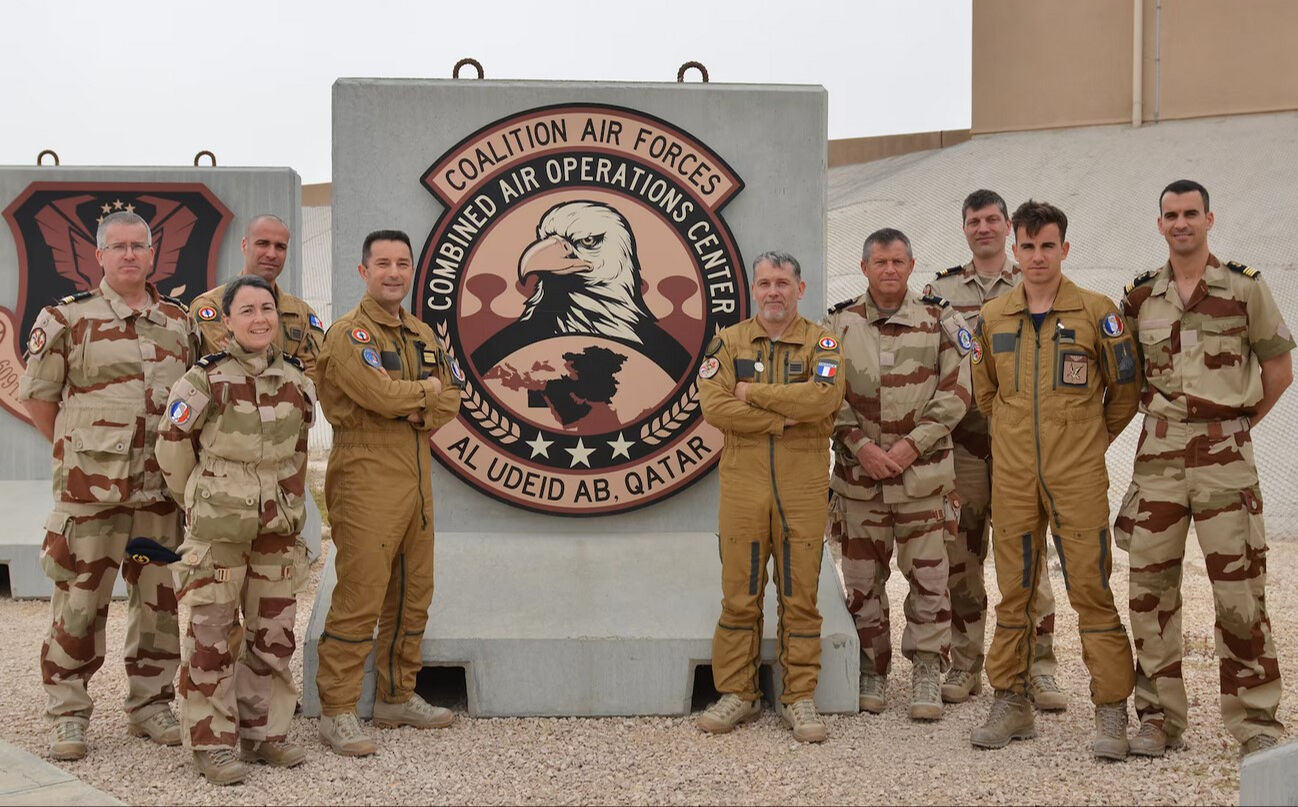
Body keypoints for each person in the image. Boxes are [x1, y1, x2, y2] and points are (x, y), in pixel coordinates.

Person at [1117, 179, 1294, 759]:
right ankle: (1158, 719)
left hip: (1226, 460)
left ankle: (1257, 723)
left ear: (1210, 219)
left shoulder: (1245, 289)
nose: (1181, 223)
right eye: (1171, 214)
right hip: (1159, 460)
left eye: (1191, 213)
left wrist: (1235, 429)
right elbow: (1129, 380)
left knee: (1240, 594)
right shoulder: (1140, 298)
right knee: (1149, 591)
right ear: (1160, 223)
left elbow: (1278, 372)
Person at [19, 211, 196, 760]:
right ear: (98, 256)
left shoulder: (177, 323)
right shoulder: (67, 320)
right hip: (89, 500)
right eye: (116, 247)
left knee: (157, 605)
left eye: (137, 246)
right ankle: (69, 714)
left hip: (157, 499)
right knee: (78, 604)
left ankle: (150, 705)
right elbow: (39, 400)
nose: (127, 256)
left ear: (152, 254)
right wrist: (80, 456)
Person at [969, 199, 1141, 759]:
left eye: (1048, 245)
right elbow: (986, 392)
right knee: (1014, 591)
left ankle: (1111, 709)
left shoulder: (1098, 313)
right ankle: (1011, 700)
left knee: (1089, 588)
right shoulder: (993, 317)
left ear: (1065, 249)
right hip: (1014, 477)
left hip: (1077, 476)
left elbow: (1126, 393)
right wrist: (1017, 436)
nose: (1038, 256)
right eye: (1028, 246)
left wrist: (1088, 440)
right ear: (1015, 252)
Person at [155, 275, 316, 785]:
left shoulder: (295, 380)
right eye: (246, 310)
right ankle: (213, 742)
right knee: (211, 636)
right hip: (218, 528)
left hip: (277, 525)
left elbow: (297, 452)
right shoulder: (202, 379)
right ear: (226, 323)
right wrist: (202, 500)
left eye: (266, 308)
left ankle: (263, 732)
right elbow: (172, 447)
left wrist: (289, 508)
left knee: (274, 634)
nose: (259, 318)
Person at [314, 230, 463, 756]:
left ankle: (398, 695)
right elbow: (375, 395)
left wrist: (420, 405)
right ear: (363, 271)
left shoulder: (422, 333)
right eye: (382, 263)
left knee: (411, 591)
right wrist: (426, 395)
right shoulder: (348, 334)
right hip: (366, 468)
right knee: (361, 593)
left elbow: (455, 399)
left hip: (416, 470)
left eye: (402, 263)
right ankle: (337, 709)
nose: (393, 272)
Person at [924, 190, 1066, 710]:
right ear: (964, 229)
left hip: (1018, 445)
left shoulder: (1032, 280)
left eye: (991, 220)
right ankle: (965, 665)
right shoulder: (939, 292)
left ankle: (1040, 665)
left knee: (1028, 559)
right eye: (973, 221)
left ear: (1008, 227)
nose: (983, 228)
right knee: (961, 560)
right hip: (962, 445)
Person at [696, 251, 845, 743]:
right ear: (753, 290)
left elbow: (823, 399)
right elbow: (714, 406)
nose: (774, 291)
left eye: (783, 282)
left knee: (800, 594)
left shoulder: (823, 342)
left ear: (800, 289)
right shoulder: (729, 341)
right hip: (743, 477)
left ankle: (799, 696)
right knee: (739, 593)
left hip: (803, 480)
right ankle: (738, 691)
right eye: (765, 283)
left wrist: (751, 392)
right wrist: (783, 415)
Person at [827, 228, 970, 721]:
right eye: (879, 262)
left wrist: (912, 446)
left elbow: (957, 392)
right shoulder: (838, 324)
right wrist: (858, 444)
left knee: (929, 578)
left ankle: (927, 666)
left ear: (912, 266)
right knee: (862, 580)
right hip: (859, 480)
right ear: (863, 267)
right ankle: (871, 667)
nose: (889, 270)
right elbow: (826, 394)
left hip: (923, 479)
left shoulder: (939, 320)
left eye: (898, 262)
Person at [190, 214, 324, 374]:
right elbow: (226, 368)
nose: (272, 254)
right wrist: (290, 370)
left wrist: (247, 354)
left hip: (294, 400)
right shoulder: (211, 305)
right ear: (244, 245)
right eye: (263, 244)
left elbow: (313, 377)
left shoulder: (301, 314)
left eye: (280, 247)